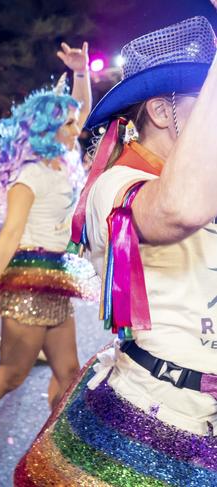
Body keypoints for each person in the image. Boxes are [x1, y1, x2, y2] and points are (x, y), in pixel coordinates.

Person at [15, 17, 217, 486]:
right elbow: (179, 208)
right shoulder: (117, 184)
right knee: (13, 371)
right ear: (164, 113)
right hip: (161, 422)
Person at [0, 42, 96, 413]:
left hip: (56, 280)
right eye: (69, 125)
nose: (78, 129)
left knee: (69, 372)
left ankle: (48, 453)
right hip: (28, 284)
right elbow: (10, 235)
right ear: (49, 130)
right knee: (11, 375)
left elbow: (83, 110)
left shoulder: (62, 163)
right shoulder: (30, 175)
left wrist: (80, 71)